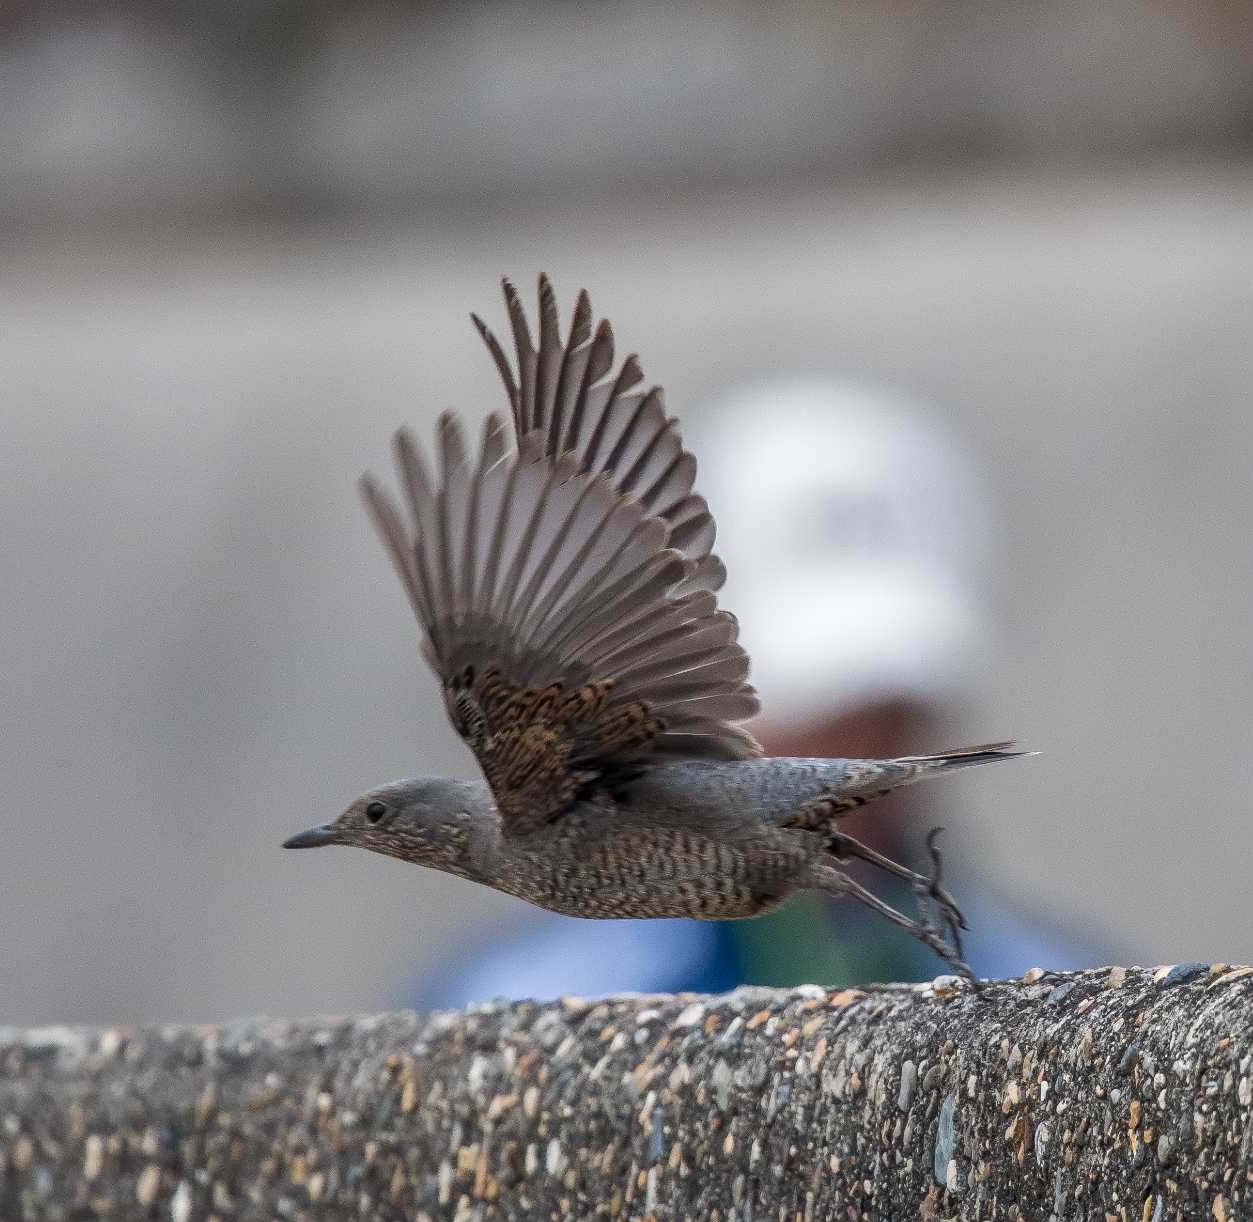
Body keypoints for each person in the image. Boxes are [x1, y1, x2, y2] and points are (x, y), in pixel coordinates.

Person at [414, 376, 1116, 1005]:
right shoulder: (510, 1002)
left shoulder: (1065, 986)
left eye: (885, 710)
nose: (852, 756)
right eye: (810, 711)